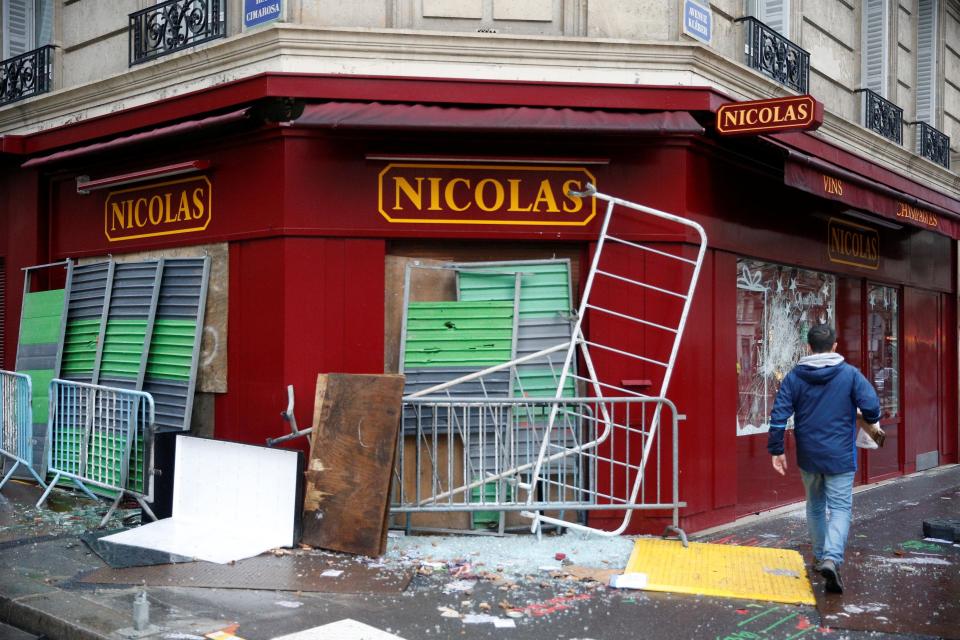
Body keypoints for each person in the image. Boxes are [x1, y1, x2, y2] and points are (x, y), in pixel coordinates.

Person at [767, 324, 880, 594]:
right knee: (840, 508)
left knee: (815, 506)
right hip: (840, 456)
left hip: (809, 455)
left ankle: (819, 558)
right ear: (835, 346)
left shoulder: (795, 377)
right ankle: (831, 557)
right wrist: (870, 423)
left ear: (808, 347)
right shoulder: (850, 375)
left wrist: (776, 450)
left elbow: (779, 414)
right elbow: (872, 407)